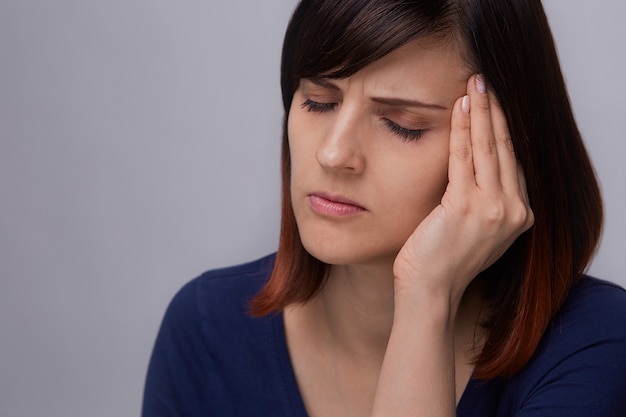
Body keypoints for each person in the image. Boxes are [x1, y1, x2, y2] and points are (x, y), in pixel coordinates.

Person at [142, 1, 626, 416]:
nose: (333, 154)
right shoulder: (206, 329)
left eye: (403, 125)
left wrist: (425, 297)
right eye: (317, 102)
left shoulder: (594, 345)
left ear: (502, 147)